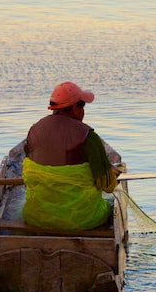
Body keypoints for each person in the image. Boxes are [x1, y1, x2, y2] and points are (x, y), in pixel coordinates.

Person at [22, 81, 122, 230]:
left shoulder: (34, 130)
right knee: (109, 205)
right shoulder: (88, 136)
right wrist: (112, 174)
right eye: (83, 107)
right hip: (82, 220)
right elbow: (107, 186)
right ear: (76, 108)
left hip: (37, 217)